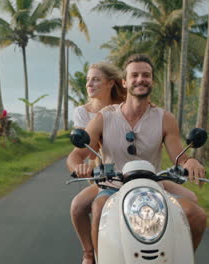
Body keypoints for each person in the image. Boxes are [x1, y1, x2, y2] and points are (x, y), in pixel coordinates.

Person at [67, 54, 207, 262]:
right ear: (125, 82)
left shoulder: (164, 118)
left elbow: (180, 157)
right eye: (134, 75)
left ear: (152, 81)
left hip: (153, 186)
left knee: (197, 216)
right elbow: (77, 154)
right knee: (98, 207)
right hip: (112, 185)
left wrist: (191, 161)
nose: (140, 79)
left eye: (146, 75)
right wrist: (80, 166)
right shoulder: (105, 116)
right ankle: (94, 257)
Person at [70, 62, 125, 264]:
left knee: (189, 200)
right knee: (77, 207)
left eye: (95, 79)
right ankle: (89, 253)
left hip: (136, 172)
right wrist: (80, 167)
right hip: (104, 174)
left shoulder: (124, 107)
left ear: (111, 83)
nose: (89, 84)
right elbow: (86, 152)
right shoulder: (83, 113)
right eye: (88, 80)